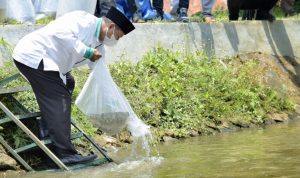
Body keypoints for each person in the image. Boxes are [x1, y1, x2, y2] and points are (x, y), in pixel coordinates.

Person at [12, 7, 135, 165]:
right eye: (118, 36)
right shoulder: (82, 20)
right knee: (59, 97)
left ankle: (47, 131)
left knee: (69, 82)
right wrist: (87, 51)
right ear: (110, 27)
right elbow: (59, 32)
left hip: (52, 64)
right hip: (34, 55)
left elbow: (101, 75)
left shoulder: (100, 45)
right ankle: (66, 154)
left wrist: (113, 103)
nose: (116, 40)